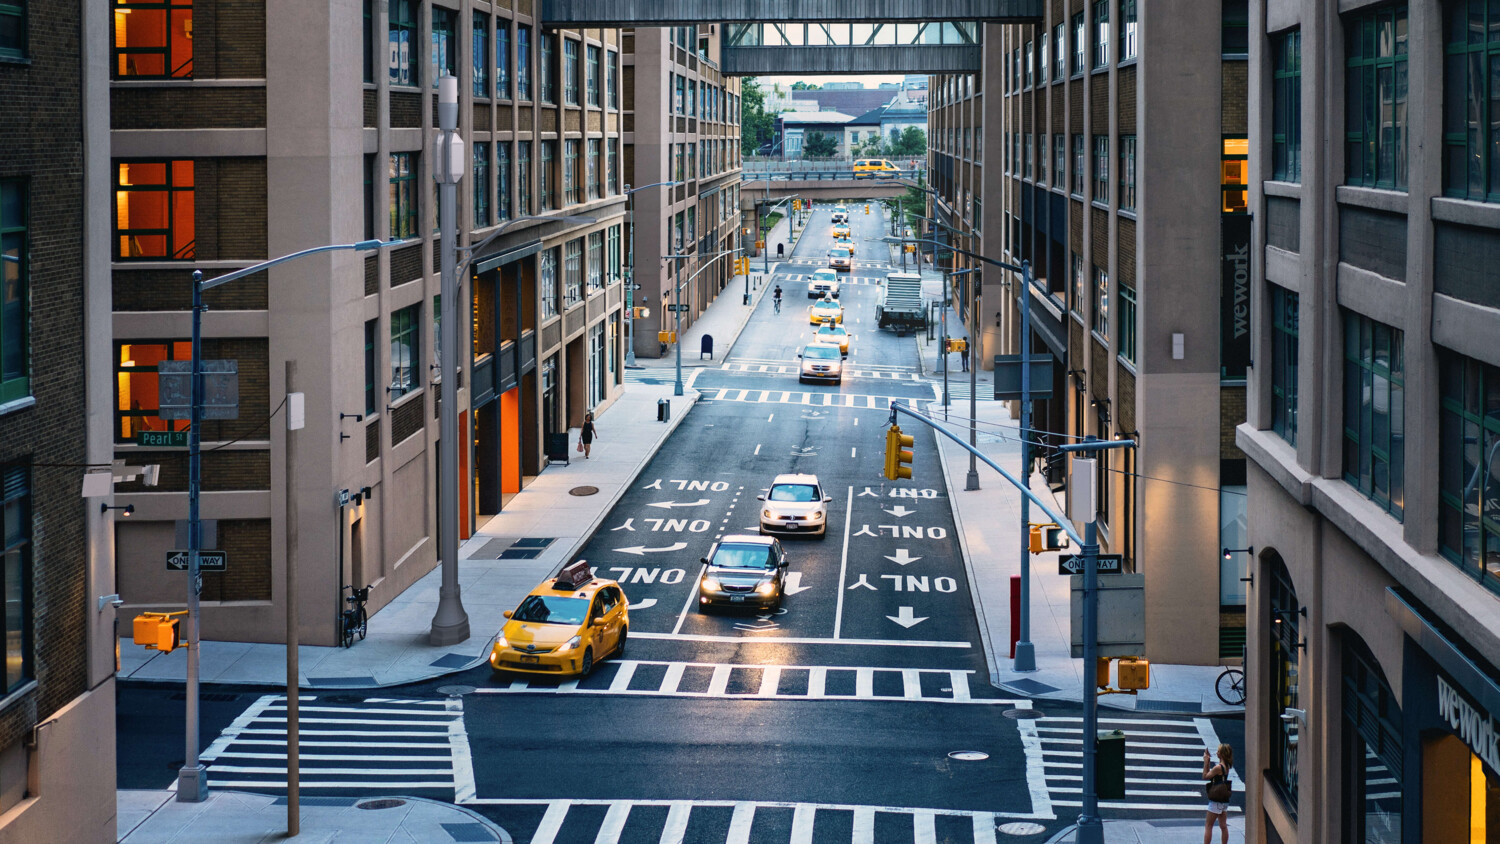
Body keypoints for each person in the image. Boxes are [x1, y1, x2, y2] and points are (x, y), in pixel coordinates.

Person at [1201, 743, 1233, 844]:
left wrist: (1206, 761)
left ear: (1222, 754)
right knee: (1223, 826)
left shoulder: (1218, 767)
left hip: (1216, 801)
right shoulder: (1226, 766)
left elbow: (1205, 776)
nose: (1216, 753)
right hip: (1223, 801)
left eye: (1218, 751)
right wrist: (1208, 762)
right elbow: (1210, 775)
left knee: (1208, 825)